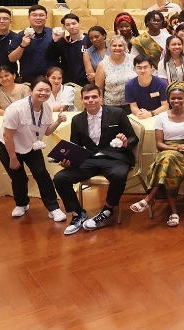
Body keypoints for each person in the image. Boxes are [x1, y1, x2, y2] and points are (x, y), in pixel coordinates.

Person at [53, 85, 140, 235]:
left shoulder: (117, 113)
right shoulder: (77, 119)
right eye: (86, 98)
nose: (90, 100)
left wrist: (126, 142)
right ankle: (78, 213)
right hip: (89, 159)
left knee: (119, 175)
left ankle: (107, 210)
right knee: (60, 178)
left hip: (115, 157)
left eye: (94, 97)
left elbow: (133, 137)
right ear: (81, 100)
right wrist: (68, 161)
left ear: (101, 98)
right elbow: (75, 146)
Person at [0, 78, 66, 222]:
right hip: (9, 146)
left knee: (42, 174)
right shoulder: (16, 109)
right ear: (31, 91)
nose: (43, 93)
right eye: (39, 90)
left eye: (47, 90)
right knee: (18, 177)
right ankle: (21, 204)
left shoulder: (47, 108)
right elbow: (7, 136)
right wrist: (13, 157)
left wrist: (58, 121)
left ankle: (53, 208)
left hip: (31, 145)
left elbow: (47, 131)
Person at [131, 85, 184, 227]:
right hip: (165, 151)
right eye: (173, 98)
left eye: (180, 98)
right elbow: (159, 144)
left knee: (167, 160)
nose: (176, 101)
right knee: (168, 161)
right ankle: (173, 212)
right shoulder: (161, 117)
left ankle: (149, 198)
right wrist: (174, 148)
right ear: (168, 99)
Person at [49, 13, 92, 85]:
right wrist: (54, 41)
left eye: (74, 23)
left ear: (79, 23)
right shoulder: (63, 42)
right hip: (68, 82)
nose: (71, 27)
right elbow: (50, 57)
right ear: (64, 27)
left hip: (87, 82)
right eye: (68, 25)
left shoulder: (89, 40)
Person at [95, 35, 135, 107]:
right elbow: (99, 88)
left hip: (133, 104)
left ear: (125, 47)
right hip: (111, 106)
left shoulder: (133, 59)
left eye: (120, 45)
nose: (117, 48)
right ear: (109, 47)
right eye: (114, 45)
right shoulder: (102, 64)